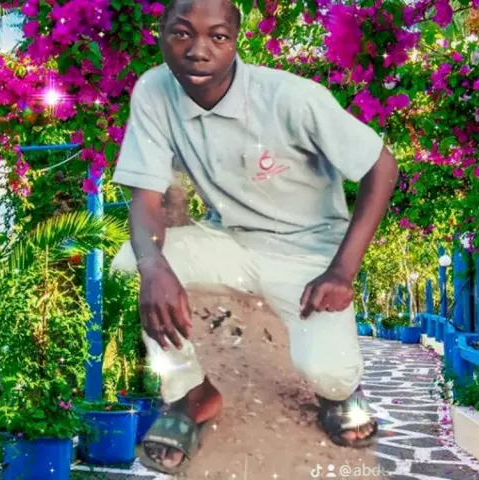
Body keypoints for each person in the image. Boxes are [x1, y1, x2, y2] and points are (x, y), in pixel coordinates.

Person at [110, 0, 399, 474]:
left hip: (308, 253)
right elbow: (146, 199)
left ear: (235, 41)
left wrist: (342, 271)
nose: (198, 50)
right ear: (160, 33)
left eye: (217, 36)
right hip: (232, 242)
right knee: (135, 261)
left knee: (327, 372)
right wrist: (154, 266)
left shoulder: (292, 97)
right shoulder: (155, 90)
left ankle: (339, 394)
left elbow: (381, 167)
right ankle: (192, 395)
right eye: (181, 33)